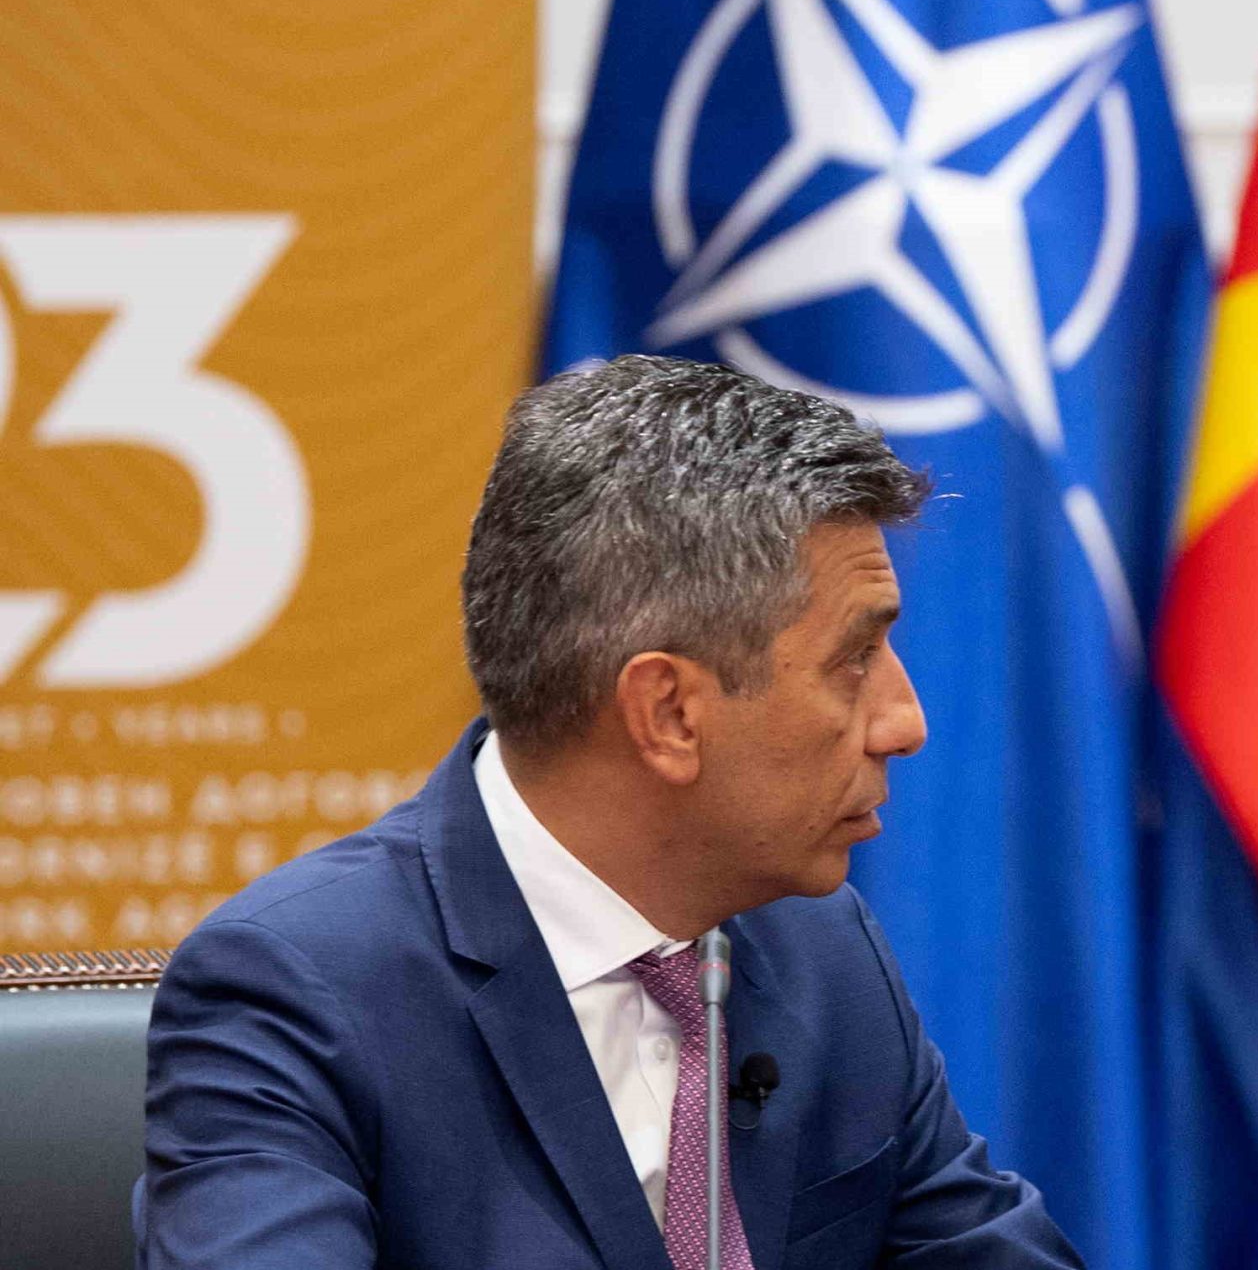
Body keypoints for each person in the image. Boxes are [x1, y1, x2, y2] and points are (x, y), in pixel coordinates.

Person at [142, 356, 1082, 1268]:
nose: (905, 723)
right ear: (668, 713)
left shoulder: (824, 949)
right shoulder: (295, 992)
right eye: (854, 659)